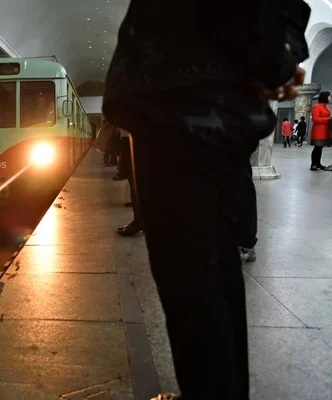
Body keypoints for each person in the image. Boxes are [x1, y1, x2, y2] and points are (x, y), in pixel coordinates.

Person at [102, 1, 310, 399]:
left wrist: (273, 59)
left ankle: (209, 391)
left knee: (190, 276)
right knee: (213, 266)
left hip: (179, 111)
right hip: (200, 111)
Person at [116, 131, 144, 236]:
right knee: (134, 180)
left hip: (132, 136)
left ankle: (139, 221)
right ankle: (139, 220)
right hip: (130, 136)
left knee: (134, 180)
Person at [310, 91, 332, 171]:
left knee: (320, 148)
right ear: (325, 97)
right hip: (318, 130)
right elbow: (315, 119)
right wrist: (328, 119)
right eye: (329, 97)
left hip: (325, 130)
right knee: (317, 147)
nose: (330, 99)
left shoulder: (326, 107)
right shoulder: (317, 107)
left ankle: (318, 164)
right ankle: (313, 164)